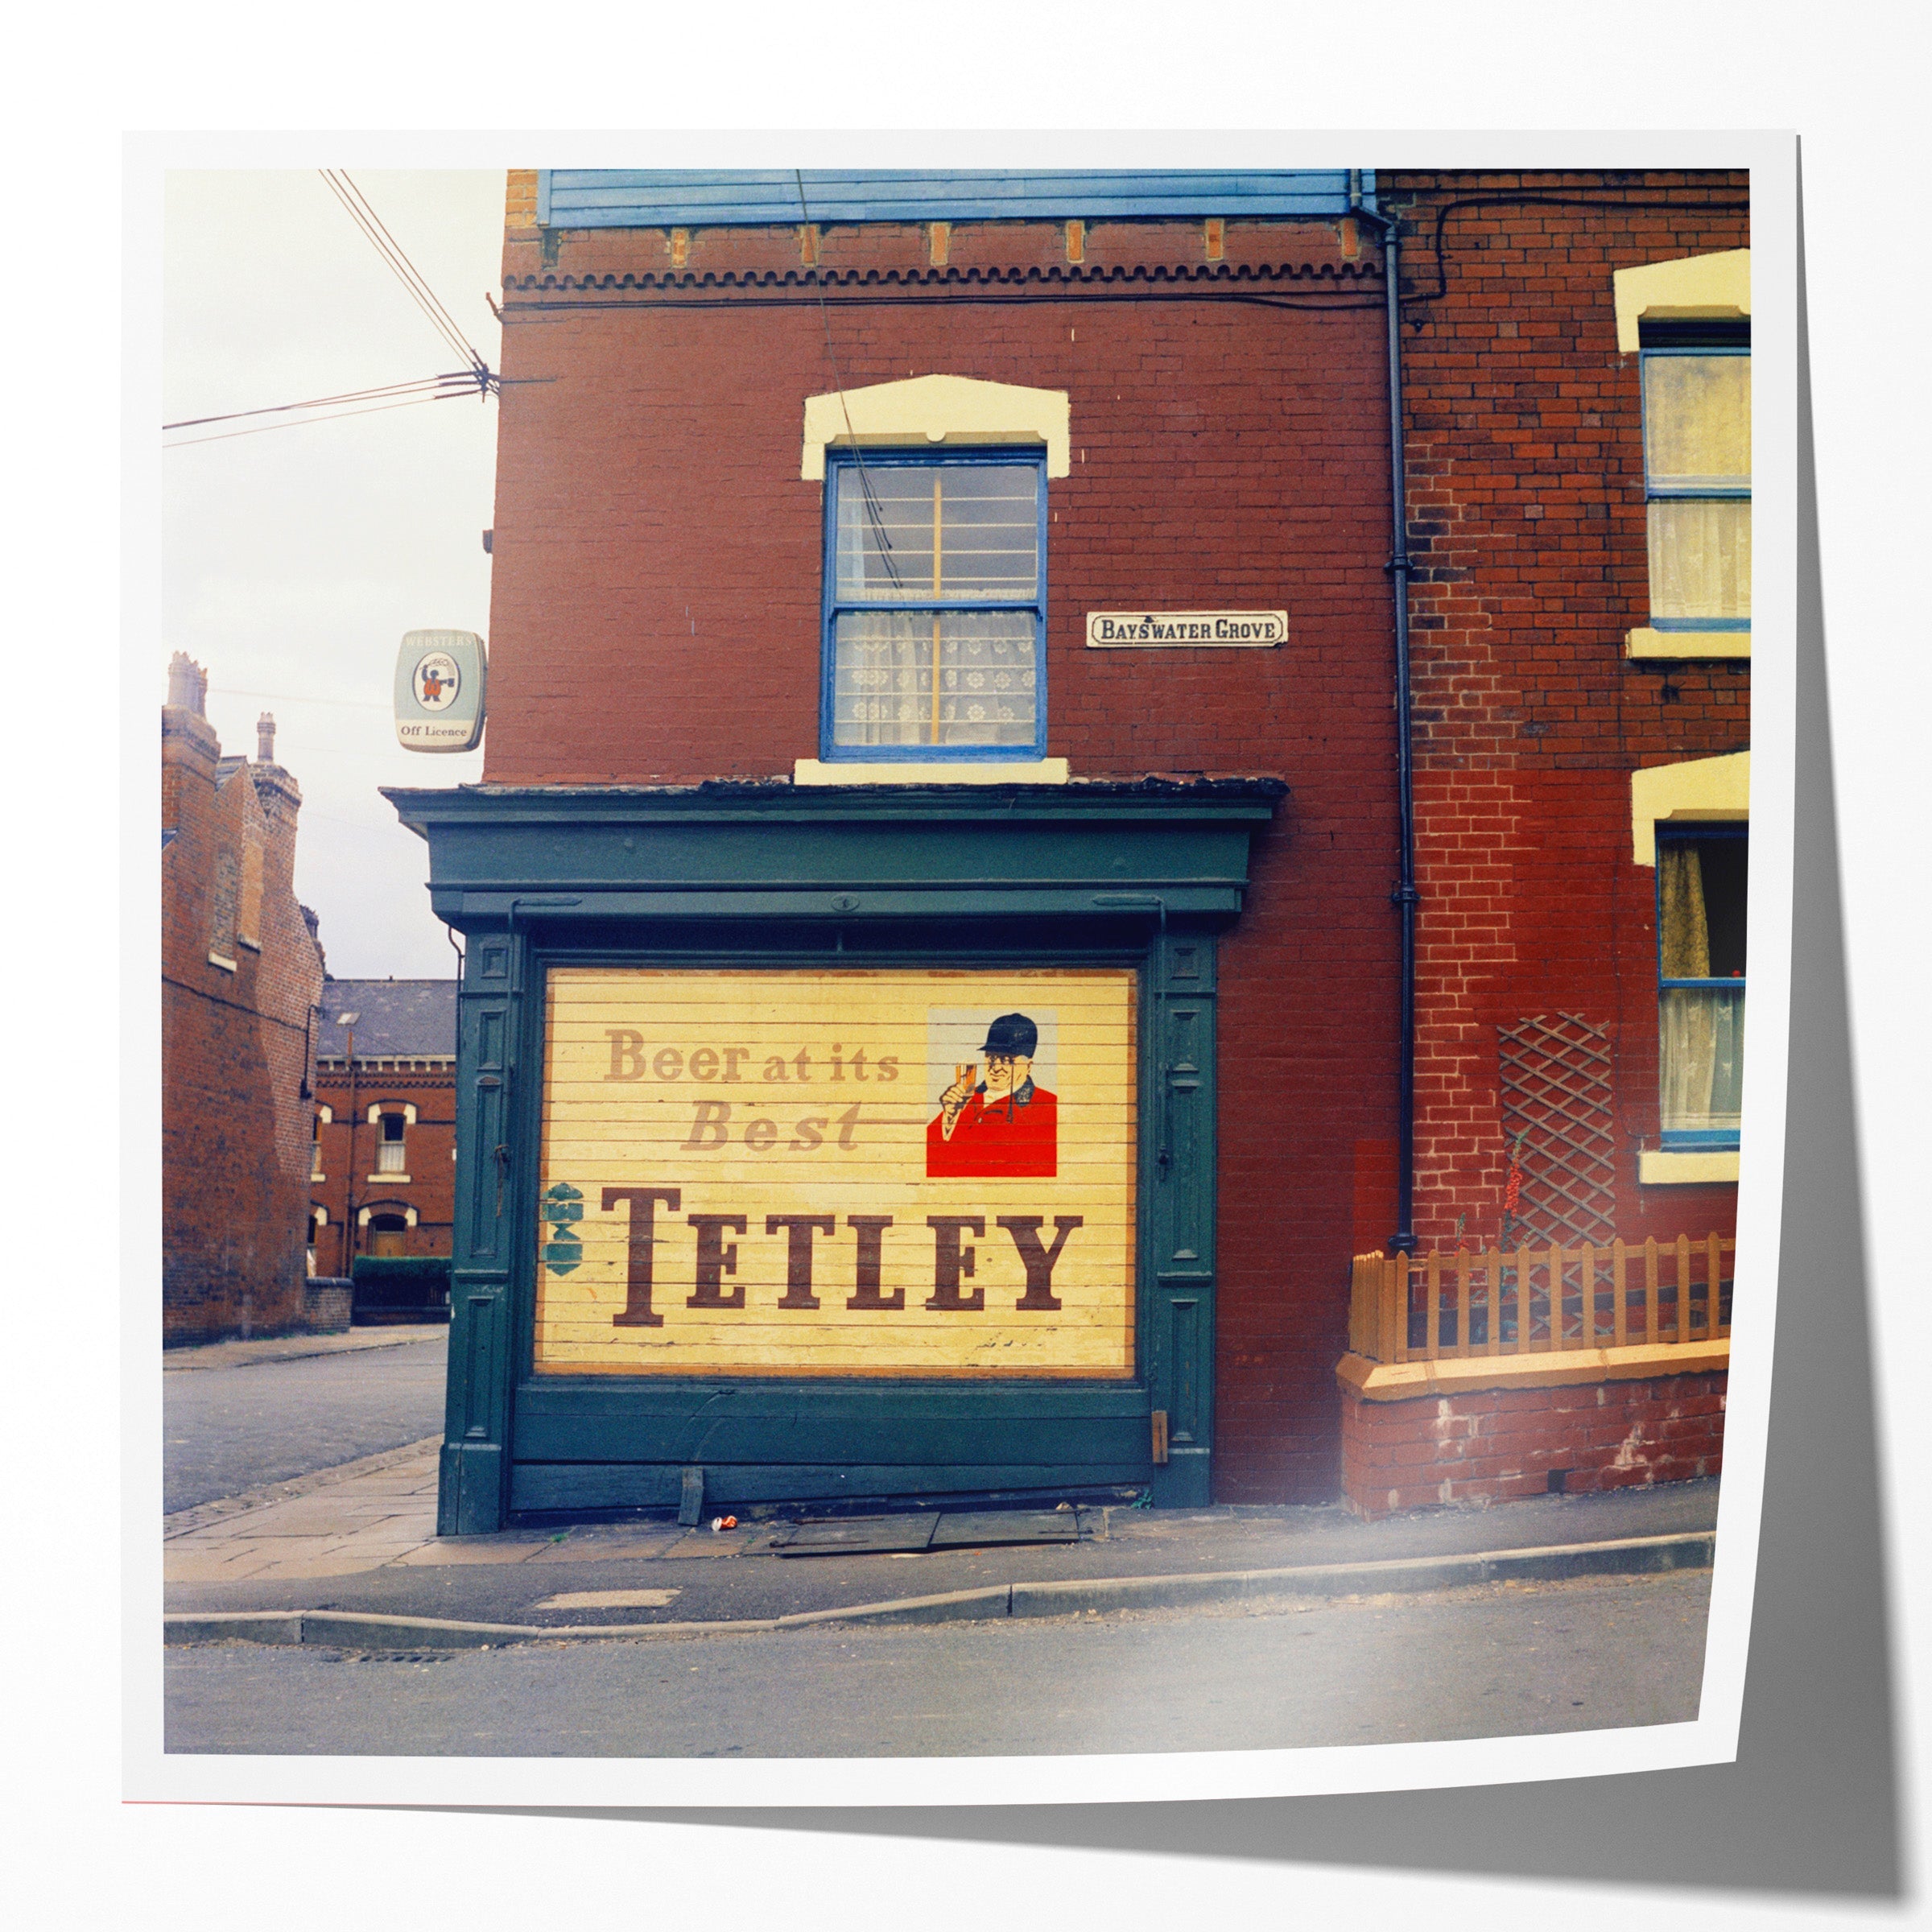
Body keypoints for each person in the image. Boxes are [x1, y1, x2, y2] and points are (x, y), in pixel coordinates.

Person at [926, 1012, 1058, 1179]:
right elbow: (925, 1158)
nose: (995, 1068)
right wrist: (949, 1118)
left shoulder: (1049, 1106)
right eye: (991, 1058)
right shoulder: (963, 1100)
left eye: (1007, 1061)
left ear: (1028, 1066)